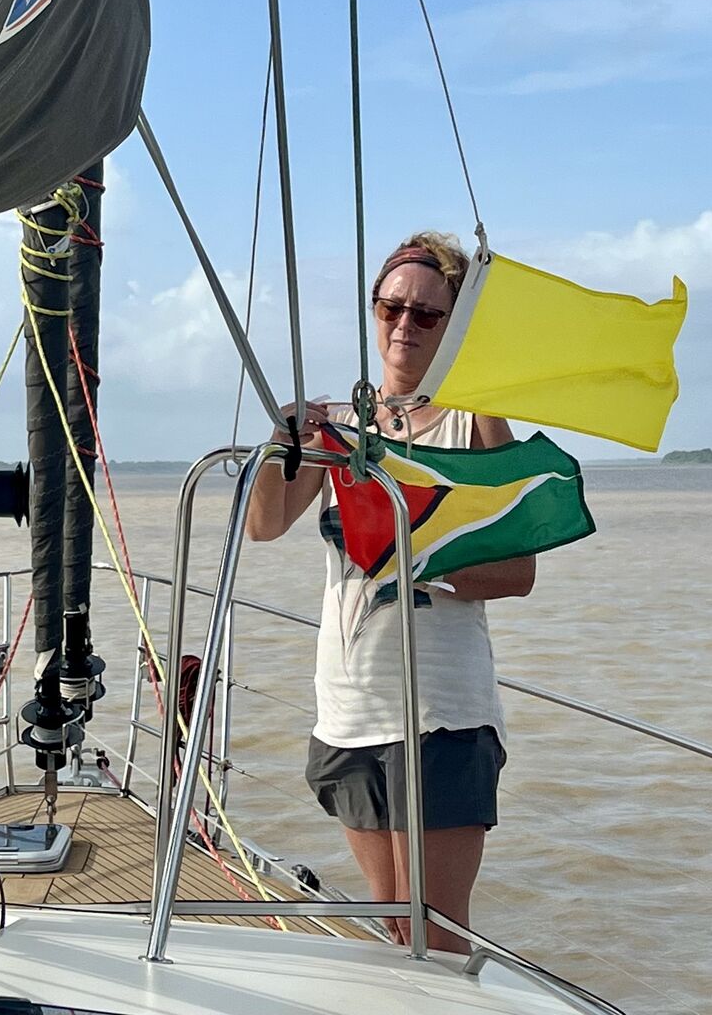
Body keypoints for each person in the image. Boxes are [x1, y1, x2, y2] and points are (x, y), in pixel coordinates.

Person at [245, 230, 534, 953]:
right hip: (350, 711)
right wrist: (278, 444)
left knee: (436, 934)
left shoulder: (478, 420)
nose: (404, 326)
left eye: (427, 315)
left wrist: (418, 562)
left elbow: (518, 571)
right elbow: (266, 525)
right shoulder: (340, 428)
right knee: (390, 925)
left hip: (442, 711)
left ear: (454, 324)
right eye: (391, 308)